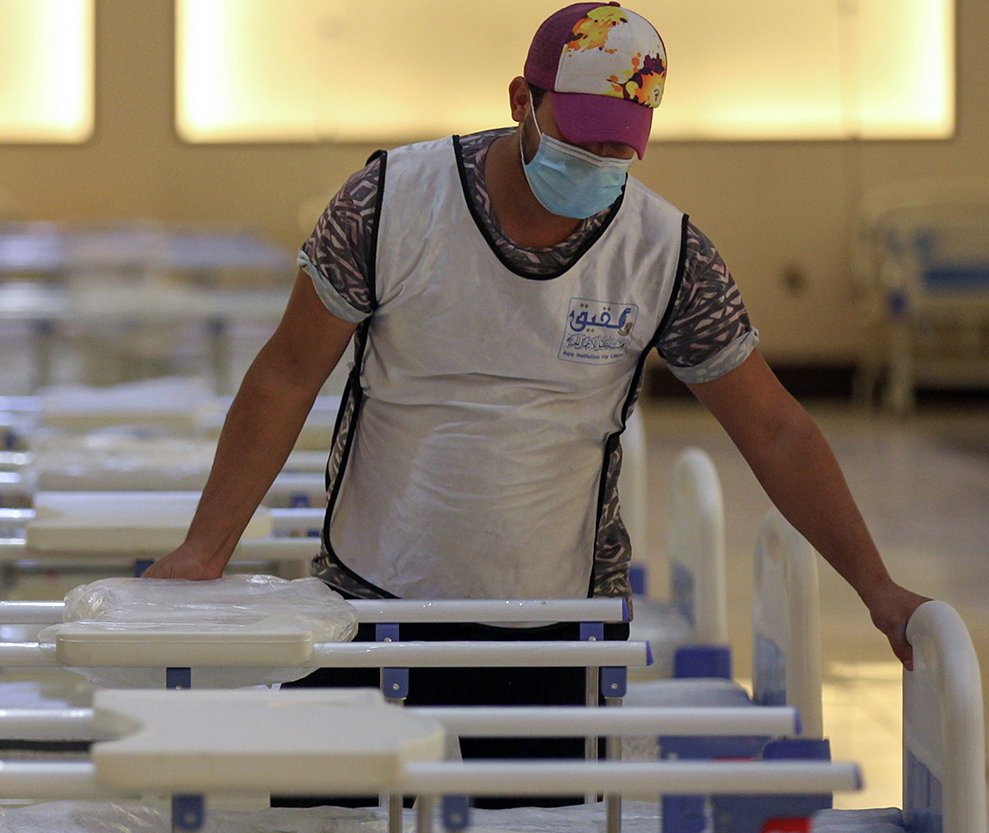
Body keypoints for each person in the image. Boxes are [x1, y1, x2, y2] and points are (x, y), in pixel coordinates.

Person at [146, 3, 927, 782]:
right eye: (578, 140)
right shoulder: (391, 204)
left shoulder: (664, 255)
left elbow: (776, 430)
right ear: (522, 100)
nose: (595, 163)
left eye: (618, 149)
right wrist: (203, 550)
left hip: (555, 625)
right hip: (371, 605)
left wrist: (876, 586)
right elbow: (286, 375)